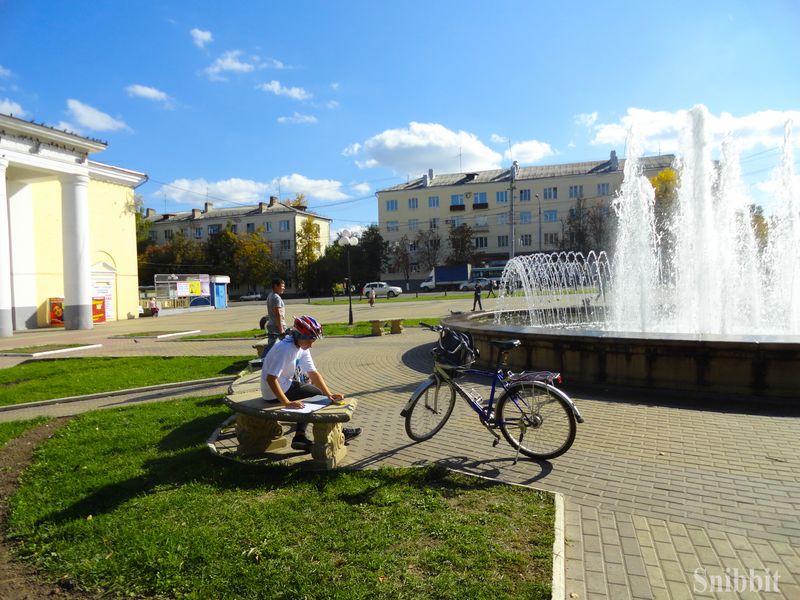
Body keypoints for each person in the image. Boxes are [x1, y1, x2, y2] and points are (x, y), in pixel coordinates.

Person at [260, 315, 362, 452]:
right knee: (316, 395)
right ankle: (304, 436)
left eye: (313, 341)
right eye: (309, 341)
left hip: (283, 385)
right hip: (273, 392)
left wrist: (329, 394)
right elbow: (270, 378)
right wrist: (286, 403)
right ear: (298, 335)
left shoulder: (301, 347)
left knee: (318, 394)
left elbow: (313, 373)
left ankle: (301, 437)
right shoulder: (285, 349)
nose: (311, 345)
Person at [263, 278, 286, 355]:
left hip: (273, 325)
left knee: (271, 346)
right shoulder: (276, 297)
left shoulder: (271, 295)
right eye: (282, 286)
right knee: (286, 344)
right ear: (276, 286)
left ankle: (265, 360)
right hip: (277, 326)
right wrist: (281, 329)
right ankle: (263, 360)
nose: (284, 288)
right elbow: (278, 314)